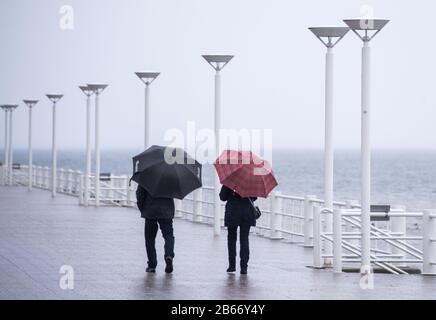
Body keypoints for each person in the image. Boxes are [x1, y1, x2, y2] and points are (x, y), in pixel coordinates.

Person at [136, 185, 175, 274]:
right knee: (168, 235)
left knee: (150, 239)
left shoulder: (147, 175)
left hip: (150, 211)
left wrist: (142, 208)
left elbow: (140, 194)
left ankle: (152, 265)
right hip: (167, 211)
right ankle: (169, 255)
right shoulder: (171, 176)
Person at [219, 185, 257, 275]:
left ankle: (232, 266)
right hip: (247, 213)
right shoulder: (251, 181)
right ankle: (244, 268)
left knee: (231, 239)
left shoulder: (230, 181)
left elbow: (222, 197)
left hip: (233, 212)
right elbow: (254, 197)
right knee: (244, 240)